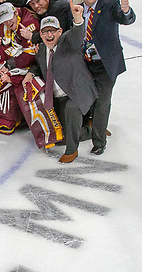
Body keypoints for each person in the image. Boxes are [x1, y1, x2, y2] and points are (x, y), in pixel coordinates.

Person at [25, 12, 98, 164]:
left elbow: (77, 34)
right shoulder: (42, 51)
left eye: (53, 31)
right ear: (41, 34)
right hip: (57, 98)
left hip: (77, 93)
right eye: (45, 31)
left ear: (60, 32)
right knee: (59, 137)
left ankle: (72, 150)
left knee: (72, 110)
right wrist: (31, 73)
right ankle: (90, 129)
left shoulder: (68, 42)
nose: (49, 34)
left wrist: (78, 20)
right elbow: (38, 66)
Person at [78, 0, 136, 155]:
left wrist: (126, 11)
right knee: (91, 101)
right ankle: (93, 125)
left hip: (106, 64)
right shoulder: (78, 9)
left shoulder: (110, 3)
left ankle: (99, 141)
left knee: (102, 102)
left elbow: (125, 18)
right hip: (86, 64)